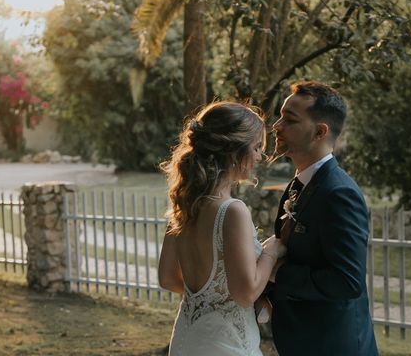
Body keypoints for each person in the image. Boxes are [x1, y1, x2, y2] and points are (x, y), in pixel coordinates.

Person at [158, 101, 286, 356]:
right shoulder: (232, 211)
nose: (260, 156)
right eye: (256, 147)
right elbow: (246, 293)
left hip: (187, 339)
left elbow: (168, 278)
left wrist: (213, 300)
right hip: (226, 345)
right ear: (232, 151)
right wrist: (271, 251)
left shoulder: (185, 205)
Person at [270, 81, 378, 355]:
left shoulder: (339, 193)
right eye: (280, 116)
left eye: (289, 119)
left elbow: (347, 281)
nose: (277, 126)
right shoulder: (300, 182)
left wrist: (276, 272)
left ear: (320, 131)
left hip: (331, 345)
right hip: (301, 339)